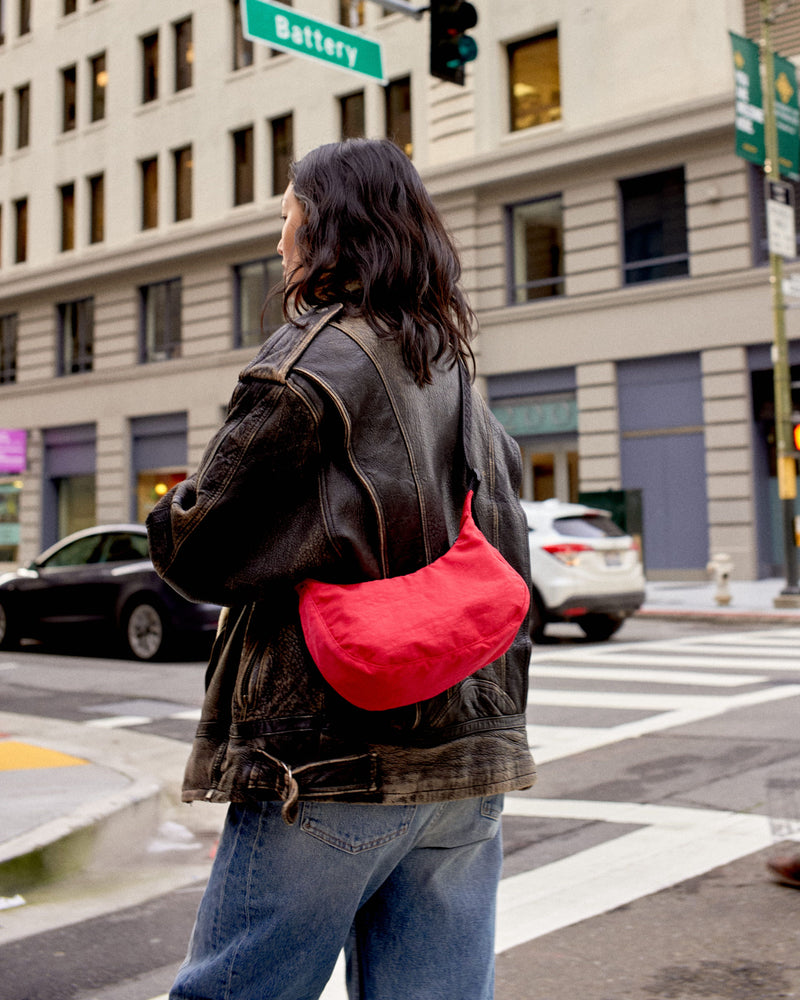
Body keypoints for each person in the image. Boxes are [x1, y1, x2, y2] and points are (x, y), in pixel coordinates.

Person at [146, 137, 536, 1000]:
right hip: (467, 763)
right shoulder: (452, 364)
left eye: (286, 214)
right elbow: (510, 546)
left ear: (323, 228)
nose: (279, 239)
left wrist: (174, 503)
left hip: (327, 761)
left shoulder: (307, 366)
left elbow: (196, 547)